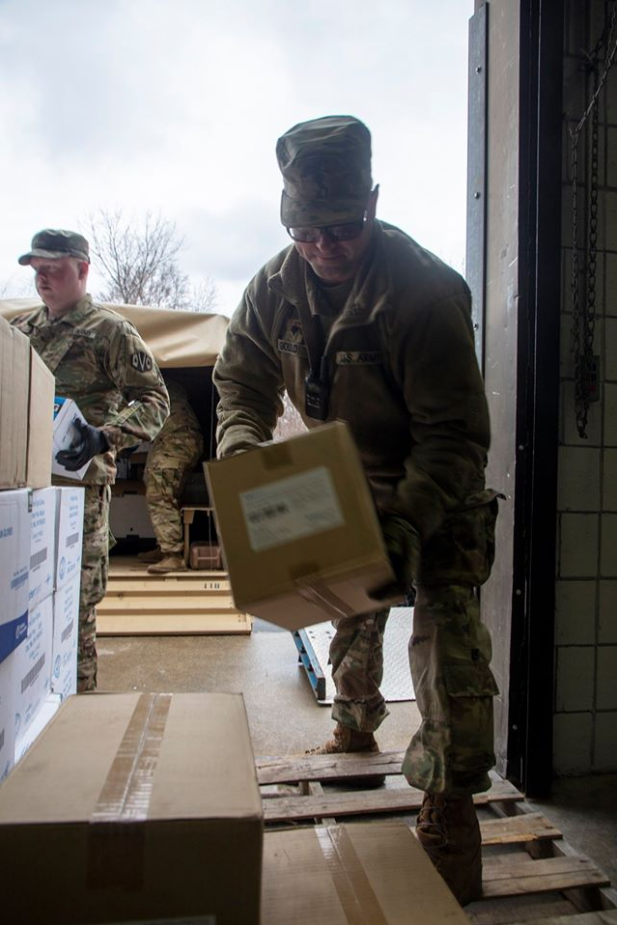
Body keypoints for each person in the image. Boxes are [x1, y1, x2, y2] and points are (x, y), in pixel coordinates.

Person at [212, 116, 501, 906]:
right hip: (351, 479)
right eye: (305, 231)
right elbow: (238, 383)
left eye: (342, 228)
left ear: (372, 202)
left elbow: (452, 436)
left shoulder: (425, 290)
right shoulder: (273, 285)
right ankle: (355, 717)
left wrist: (406, 524)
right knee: (349, 611)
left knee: (448, 651)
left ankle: (449, 803)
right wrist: (242, 453)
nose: (324, 247)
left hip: (438, 484)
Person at [12, 228, 169, 692]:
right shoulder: (22, 332)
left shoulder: (110, 331)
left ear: (81, 270)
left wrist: (106, 436)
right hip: (27, 486)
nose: (42, 280)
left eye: (53, 270)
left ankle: (78, 704)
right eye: (37, 271)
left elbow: (155, 400)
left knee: (76, 602)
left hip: (80, 491)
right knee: (24, 598)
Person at [139, 376, 204, 574]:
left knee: (159, 491)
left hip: (177, 439)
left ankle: (172, 555)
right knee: (160, 487)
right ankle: (164, 547)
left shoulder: (152, 384)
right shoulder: (169, 384)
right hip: (178, 439)